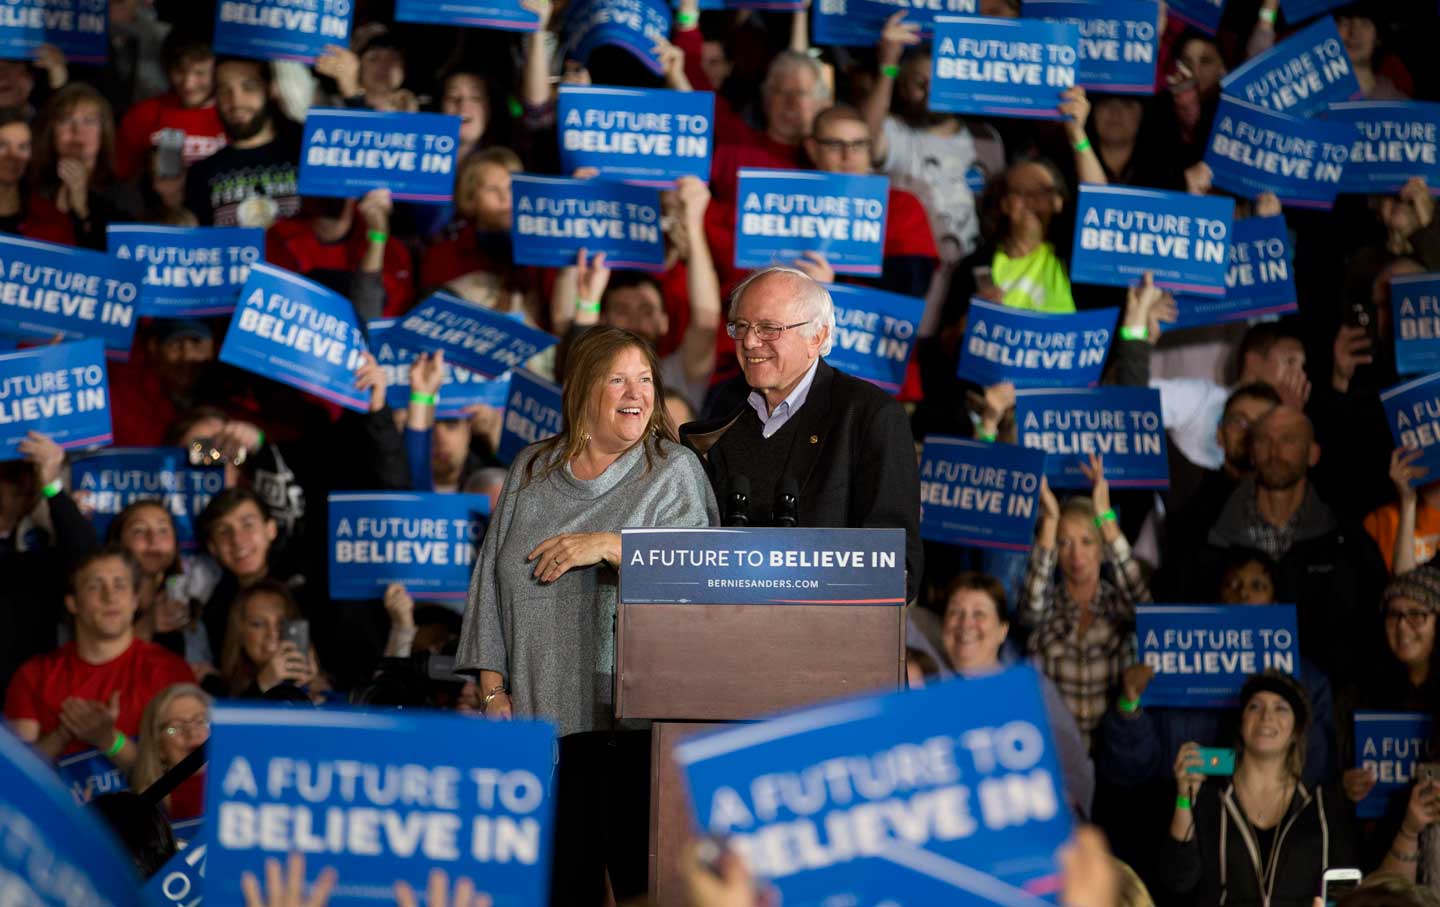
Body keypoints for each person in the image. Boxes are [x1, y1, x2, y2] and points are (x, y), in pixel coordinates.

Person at [457, 326, 718, 906]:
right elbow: (489, 586)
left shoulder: (672, 470)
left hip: (632, 729)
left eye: (646, 378)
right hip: (538, 725)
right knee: (554, 889)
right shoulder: (531, 469)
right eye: (619, 378)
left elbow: (703, 576)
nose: (637, 392)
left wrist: (608, 545)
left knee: (640, 890)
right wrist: (493, 690)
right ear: (582, 390)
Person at [679, 267, 924, 601]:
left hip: (825, 635)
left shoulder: (868, 415)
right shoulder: (725, 407)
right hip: (727, 625)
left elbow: (897, 566)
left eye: (768, 328)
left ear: (817, 337)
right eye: (742, 326)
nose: (750, 342)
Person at [1174, 406, 1387, 686]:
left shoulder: (1348, 540)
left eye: (1289, 440)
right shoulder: (1204, 532)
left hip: (1325, 706)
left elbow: (1373, 633)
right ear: (1251, 452)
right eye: (1264, 440)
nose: (1275, 452)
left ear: (1313, 454)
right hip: (1226, 700)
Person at [1158, 671, 1356, 906]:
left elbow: (1345, 891)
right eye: (1254, 706)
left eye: (1281, 708)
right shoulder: (1209, 798)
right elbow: (1178, 879)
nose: (1266, 716)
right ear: (1241, 723)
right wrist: (1184, 797)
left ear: (1296, 731)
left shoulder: (1325, 804)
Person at [3, 547, 193, 767]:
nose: (110, 596)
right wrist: (63, 734)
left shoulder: (170, 670)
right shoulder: (34, 675)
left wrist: (109, 740)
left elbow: (182, 778)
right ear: (72, 603)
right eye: (95, 586)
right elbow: (16, 778)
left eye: (120, 585)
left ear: (134, 600)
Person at [1019, 454, 1149, 744]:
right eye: (1065, 543)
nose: (1076, 554)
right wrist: (1051, 520)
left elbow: (1141, 600)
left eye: (1087, 541)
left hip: (1113, 750)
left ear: (1102, 549)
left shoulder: (1119, 604)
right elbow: (1031, 606)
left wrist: (1104, 513)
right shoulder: (1047, 604)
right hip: (1055, 747)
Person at [941, 572, 1095, 815]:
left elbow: (1075, 771)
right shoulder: (924, 682)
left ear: (1003, 630)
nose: (965, 624)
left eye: (979, 614)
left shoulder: (1031, 690)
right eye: (955, 612)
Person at [183, 56, 299, 228]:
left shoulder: (303, 157)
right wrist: (171, 199)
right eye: (224, 90)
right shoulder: (200, 174)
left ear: (271, 88)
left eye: (249, 87)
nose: (236, 102)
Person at [30, 82, 140, 248]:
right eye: (66, 120)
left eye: (89, 121)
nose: (77, 130)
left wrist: (82, 210)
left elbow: (120, 259)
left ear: (103, 132)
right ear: (51, 131)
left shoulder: (123, 197)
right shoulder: (31, 186)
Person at [113, 32, 225, 182]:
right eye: (180, 71)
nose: (188, 84)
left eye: (200, 73)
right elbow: (119, 179)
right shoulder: (144, 114)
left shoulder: (232, 116)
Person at [217, 580, 324, 700]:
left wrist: (323, 698)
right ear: (240, 632)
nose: (273, 633)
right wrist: (264, 683)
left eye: (281, 623)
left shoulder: (317, 683)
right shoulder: (218, 687)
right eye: (258, 624)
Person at [128, 682, 210, 820]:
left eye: (201, 721)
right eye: (175, 728)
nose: (192, 733)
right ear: (159, 747)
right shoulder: (145, 809)